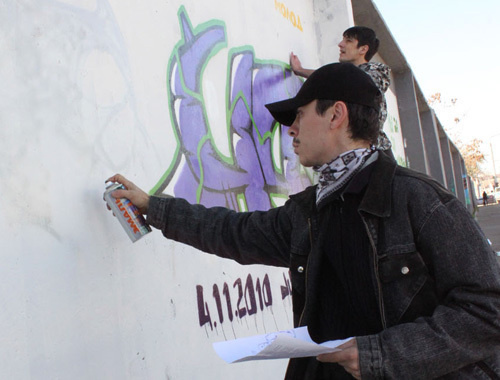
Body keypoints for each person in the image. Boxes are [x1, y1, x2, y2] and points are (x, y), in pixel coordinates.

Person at [106, 63, 500, 379]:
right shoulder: (311, 209)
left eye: (299, 115)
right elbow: (235, 232)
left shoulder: (419, 200)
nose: (290, 130)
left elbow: (487, 310)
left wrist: (382, 355)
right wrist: (154, 207)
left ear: (336, 115)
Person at [290, 26, 392, 151]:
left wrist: (300, 70)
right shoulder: (353, 78)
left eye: (348, 41)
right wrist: (300, 71)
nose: (340, 44)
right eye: (343, 40)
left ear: (363, 49)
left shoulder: (371, 77)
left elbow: (336, 78)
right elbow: (333, 77)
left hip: (374, 153)